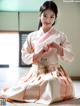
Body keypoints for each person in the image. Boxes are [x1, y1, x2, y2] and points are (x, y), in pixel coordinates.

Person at [0, 0, 74, 105]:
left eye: (52, 17)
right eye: (45, 15)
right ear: (40, 15)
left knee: (51, 82)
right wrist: (38, 53)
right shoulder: (32, 36)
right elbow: (24, 56)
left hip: (54, 72)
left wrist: (58, 47)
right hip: (36, 72)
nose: (48, 19)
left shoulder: (60, 36)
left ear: (55, 18)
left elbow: (70, 56)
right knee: (23, 88)